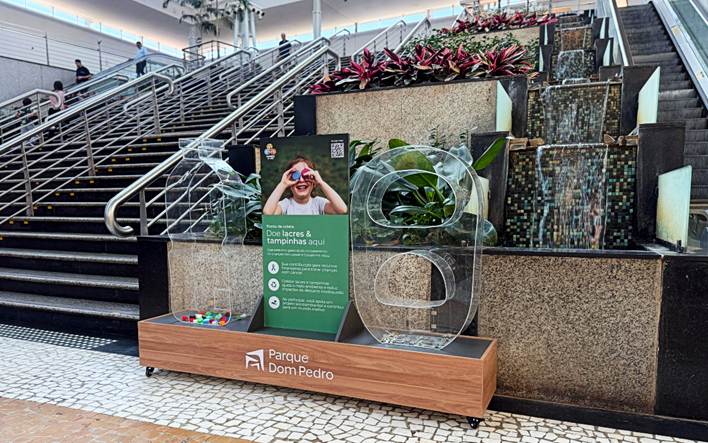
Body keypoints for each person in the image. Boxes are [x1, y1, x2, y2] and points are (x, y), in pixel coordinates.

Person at [263, 156, 348, 216]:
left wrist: (321, 183)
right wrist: (283, 184)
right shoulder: (286, 204)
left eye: (306, 176)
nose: (301, 180)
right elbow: (268, 213)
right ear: (289, 184)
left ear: (313, 182)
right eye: (296, 175)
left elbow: (342, 210)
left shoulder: (318, 203)